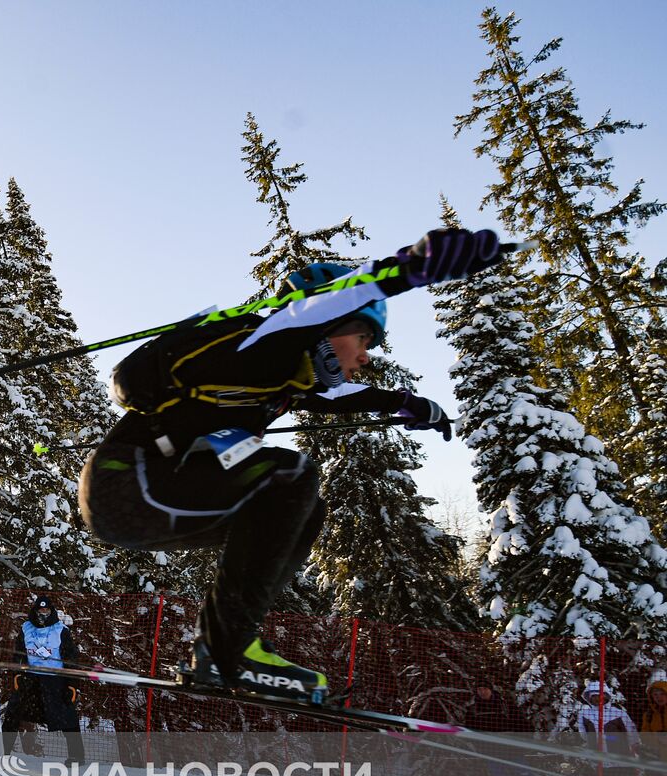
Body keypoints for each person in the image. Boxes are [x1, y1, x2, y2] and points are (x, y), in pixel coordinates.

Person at [78, 227, 507, 700]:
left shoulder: (286, 378)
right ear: (327, 324)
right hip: (128, 483)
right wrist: (415, 266)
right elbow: (323, 306)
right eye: (363, 336)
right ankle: (229, 652)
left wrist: (410, 404)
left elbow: (347, 396)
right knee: (291, 473)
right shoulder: (261, 344)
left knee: (306, 508)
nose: (365, 356)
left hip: (155, 496)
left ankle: (222, 649)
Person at [1, 595, 86, 762]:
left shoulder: (61, 630)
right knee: (13, 712)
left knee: (67, 716)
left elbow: (71, 658)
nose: (43, 613)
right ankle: (2, 753)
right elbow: (19, 654)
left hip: (55, 680)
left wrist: (71, 685)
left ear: (51, 611)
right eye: (40, 610)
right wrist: (18, 674)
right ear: (35, 610)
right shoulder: (26, 629)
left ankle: (77, 756)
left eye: (46, 610)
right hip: (31, 678)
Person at [575, 680, 660, 776]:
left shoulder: (617, 713)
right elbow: (583, 734)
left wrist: (613, 739)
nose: (598, 700)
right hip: (602, 761)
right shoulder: (585, 714)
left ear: (607, 697)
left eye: (601, 697)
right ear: (589, 698)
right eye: (594, 697)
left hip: (622, 760)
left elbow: (631, 733)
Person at [463, 684, 554, 776]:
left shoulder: (506, 706)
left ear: (491, 689)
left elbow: (524, 727)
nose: (482, 691)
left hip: (513, 753)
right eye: (479, 689)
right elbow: (470, 733)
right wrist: (482, 746)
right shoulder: (473, 710)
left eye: (485, 688)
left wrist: (520, 745)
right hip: (492, 755)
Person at [642, 678, 667, 764]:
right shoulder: (649, 714)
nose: (658, 697)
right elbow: (645, 735)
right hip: (658, 760)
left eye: (662, 694)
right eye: (655, 694)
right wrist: (657, 740)